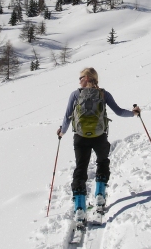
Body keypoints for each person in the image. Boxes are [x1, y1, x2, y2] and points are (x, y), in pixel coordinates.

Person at [57, 67, 140, 220]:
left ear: (87, 78)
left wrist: (62, 131)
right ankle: (100, 196)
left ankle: (80, 207)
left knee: (81, 168)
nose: (80, 80)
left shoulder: (75, 94)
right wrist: (134, 113)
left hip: (80, 137)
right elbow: (119, 112)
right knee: (102, 162)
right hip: (99, 136)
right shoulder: (103, 94)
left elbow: (67, 117)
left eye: (81, 77)